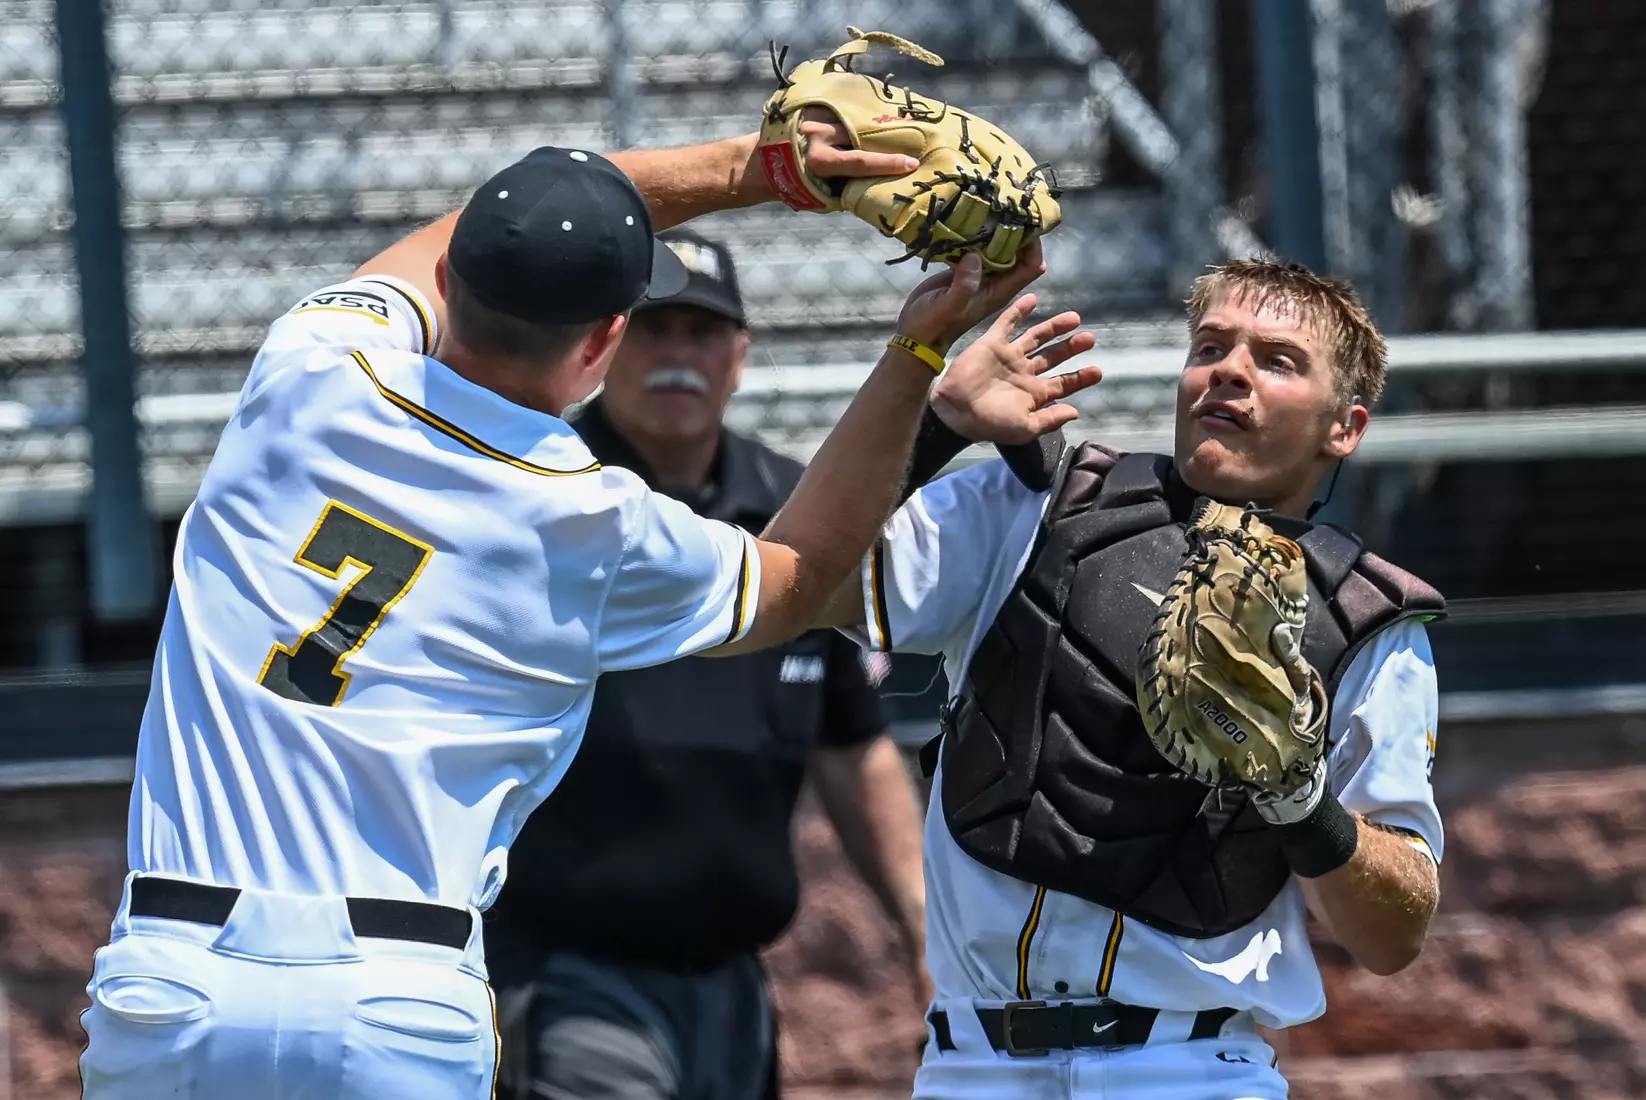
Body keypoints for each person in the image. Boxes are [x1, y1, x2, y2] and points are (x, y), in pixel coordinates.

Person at [76, 120, 1103, 1099]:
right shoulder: (594, 522)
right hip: (394, 993)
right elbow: (799, 571)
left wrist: (758, 166)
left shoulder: (308, 375)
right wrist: (913, 354)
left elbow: (459, 229)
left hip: (176, 968)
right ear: (606, 339)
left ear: (456, 279)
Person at [822, 258, 1446, 1100]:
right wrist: (936, 423)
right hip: (970, 1063)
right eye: (1211, 346)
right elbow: (811, 586)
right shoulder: (1041, 505)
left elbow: (1394, 936)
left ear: (1347, 426)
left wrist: (1299, 796)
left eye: (1277, 358)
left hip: (1189, 1069)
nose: (1229, 369)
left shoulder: (1371, 620)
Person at [483, 229, 930, 1100]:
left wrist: (921, 934)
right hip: (570, 972)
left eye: (702, 334)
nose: (677, 356)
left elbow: (853, 745)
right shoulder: (543, 500)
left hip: (734, 982)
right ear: (603, 344)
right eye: (654, 332)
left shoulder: (797, 516)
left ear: (741, 356)